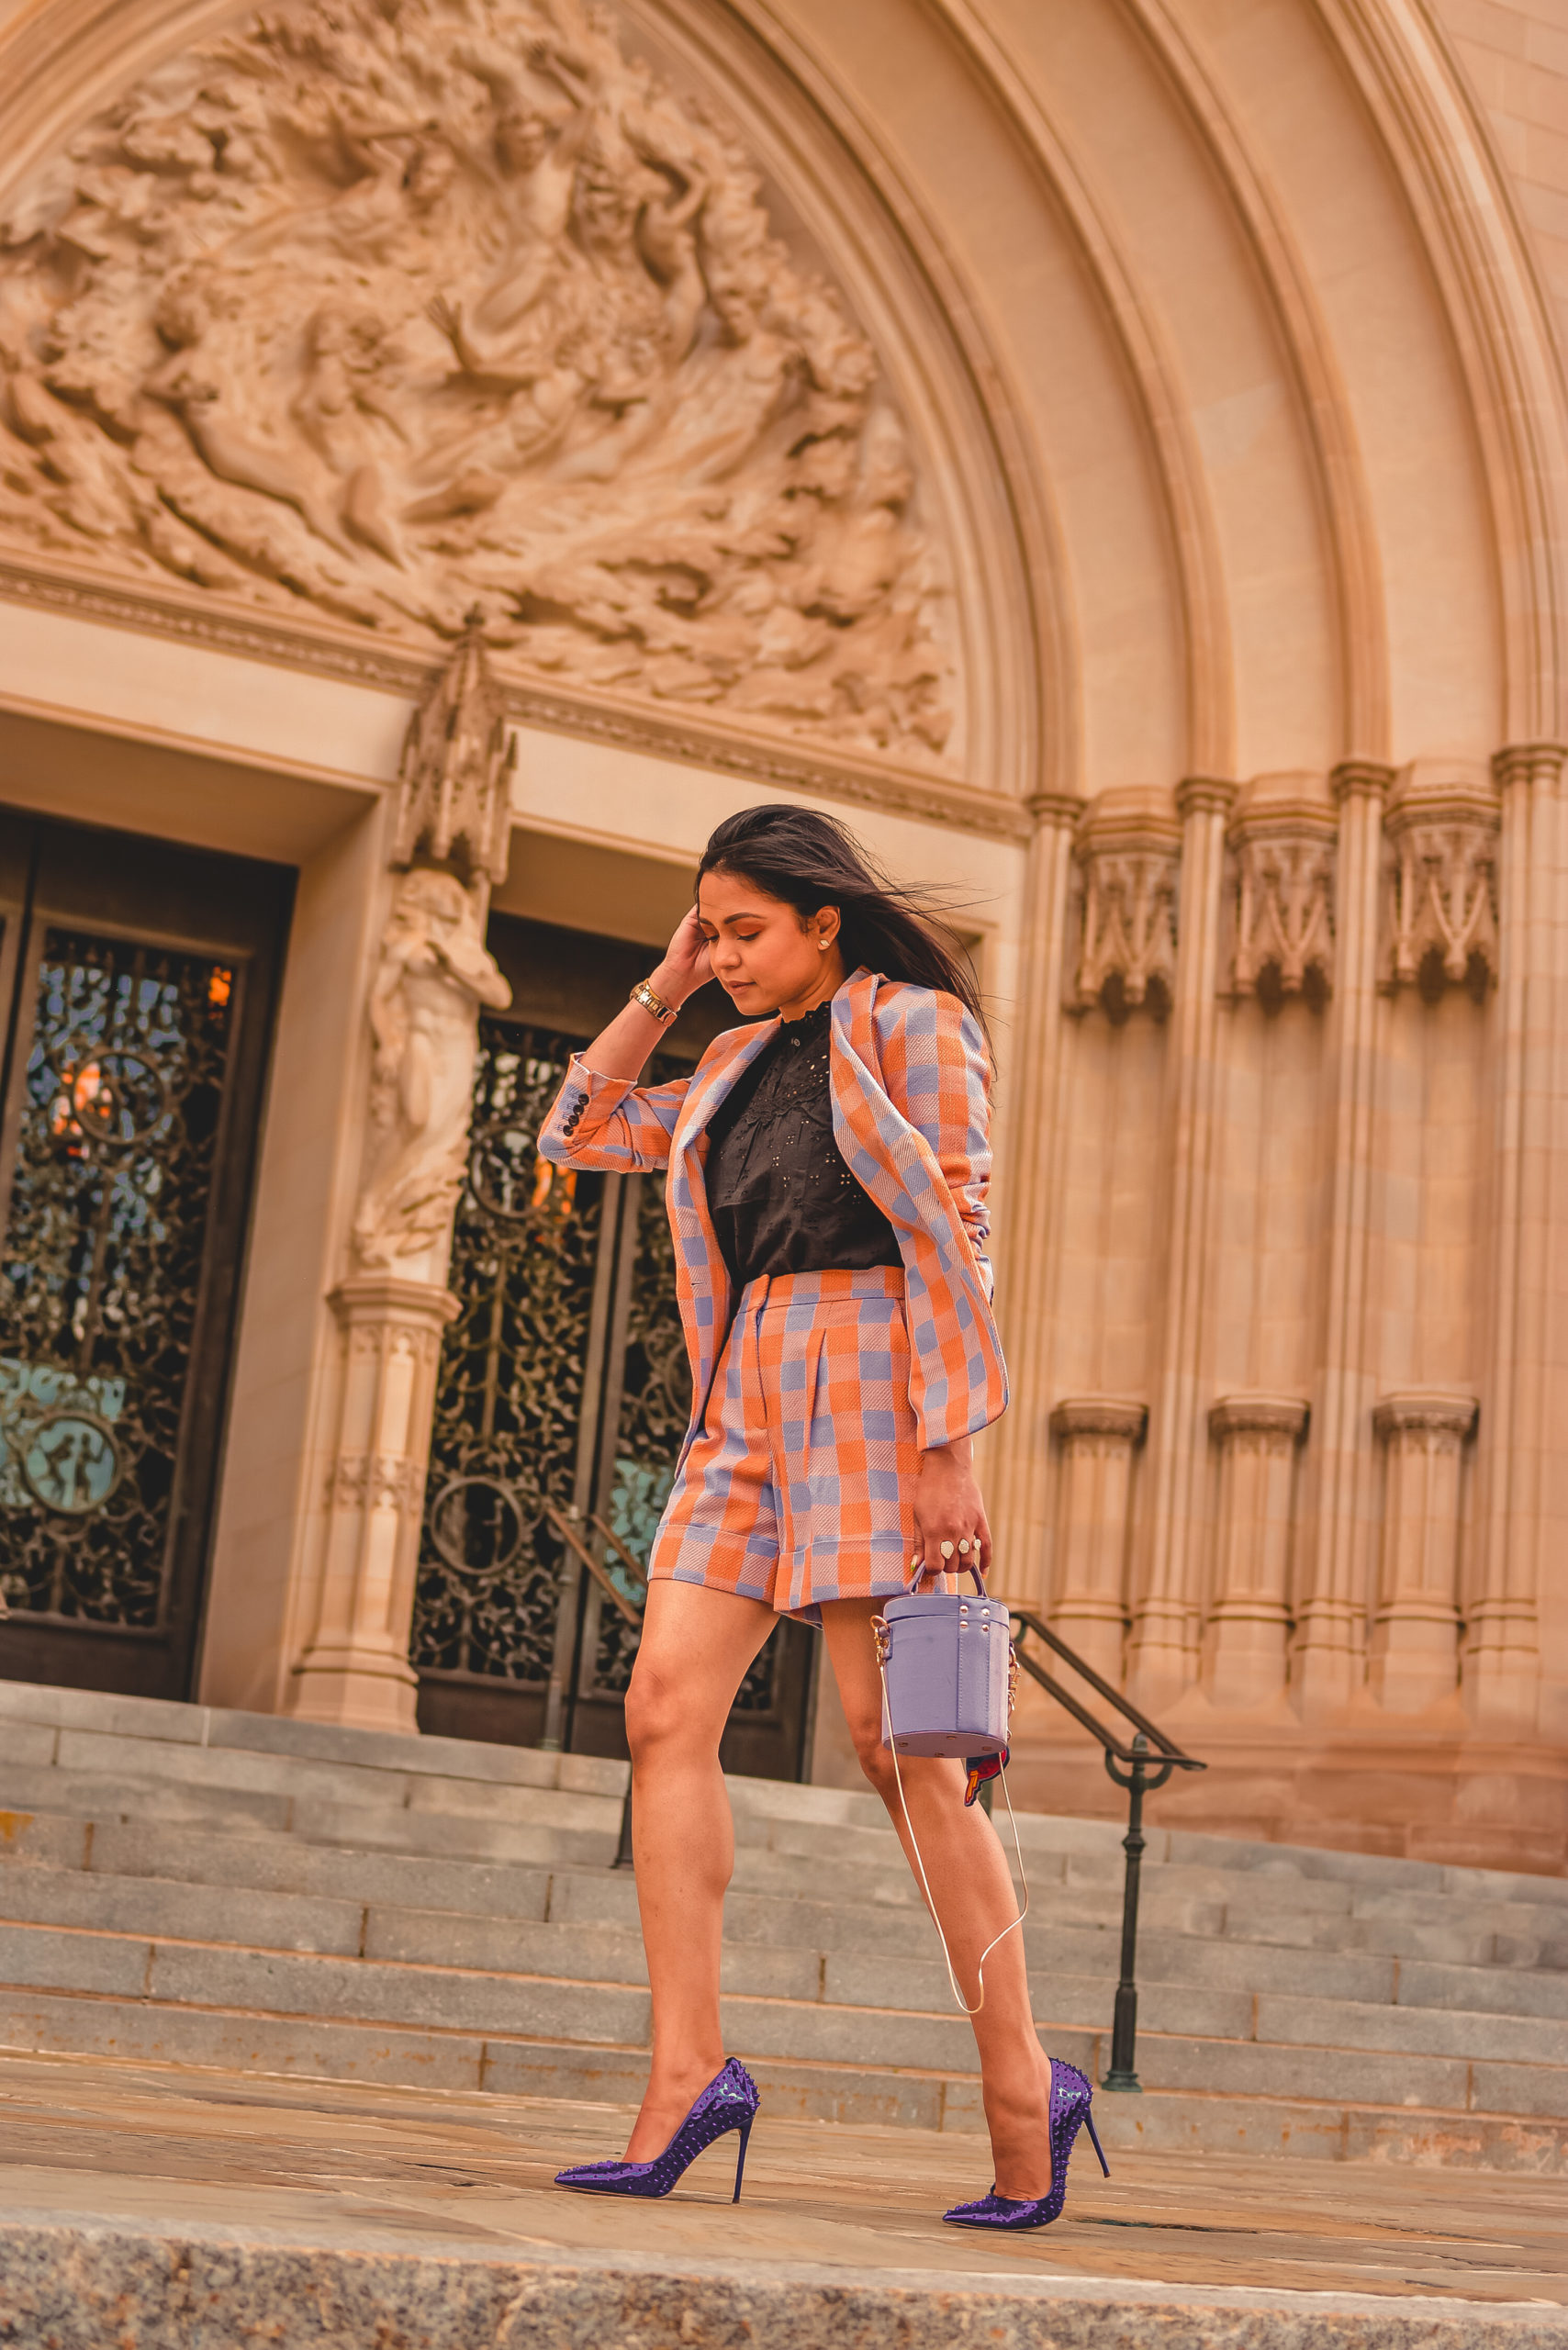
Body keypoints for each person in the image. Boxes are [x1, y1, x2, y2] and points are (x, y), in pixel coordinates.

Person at [536, 804, 1104, 2227]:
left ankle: (1022, 2086)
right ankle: (687, 2078)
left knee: (901, 1745)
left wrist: (947, 1447)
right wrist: (665, 982)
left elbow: (960, 1228)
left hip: (877, 1376)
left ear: (826, 919)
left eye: (745, 930)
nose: (724, 954)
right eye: (708, 929)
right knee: (664, 1708)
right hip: (746, 1396)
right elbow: (579, 1124)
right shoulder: (723, 1058)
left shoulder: (911, 1024)